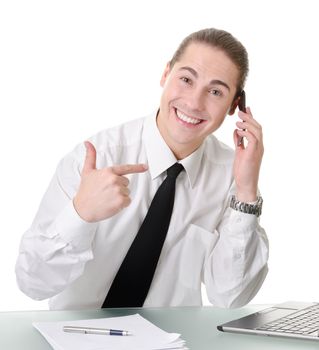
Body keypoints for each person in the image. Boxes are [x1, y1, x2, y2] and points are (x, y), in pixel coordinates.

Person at [16, 28, 269, 310]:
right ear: (165, 75)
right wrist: (81, 214)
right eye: (186, 79)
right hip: (77, 337)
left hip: (172, 340)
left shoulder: (230, 177)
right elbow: (33, 282)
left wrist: (246, 193)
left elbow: (230, 296)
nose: (194, 103)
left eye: (215, 91)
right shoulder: (96, 158)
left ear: (236, 106)